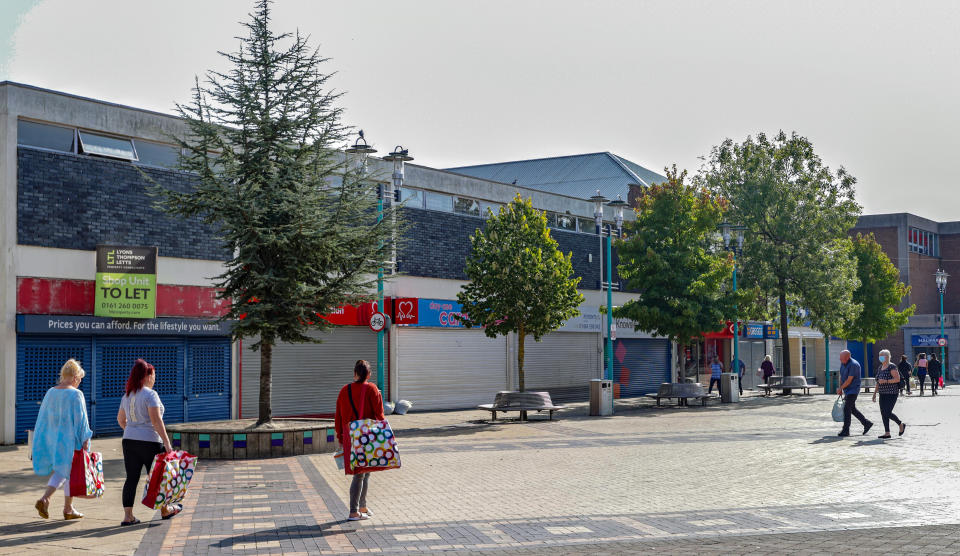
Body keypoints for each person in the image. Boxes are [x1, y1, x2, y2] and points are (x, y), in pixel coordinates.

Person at [118, 359, 181, 525]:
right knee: (157, 478)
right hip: (150, 441)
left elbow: (120, 419)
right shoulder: (150, 394)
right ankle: (165, 510)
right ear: (147, 376)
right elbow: (156, 421)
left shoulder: (128, 394)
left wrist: (131, 430)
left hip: (129, 441)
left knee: (131, 478)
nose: (154, 379)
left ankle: (128, 516)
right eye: (153, 375)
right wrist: (167, 443)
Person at [32, 359, 93, 521]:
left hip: (54, 440)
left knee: (61, 471)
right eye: (79, 379)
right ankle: (67, 508)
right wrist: (86, 441)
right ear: (74, 377)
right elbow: (81, 421)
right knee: (71, 474)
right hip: (71, 441)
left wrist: (41, 441)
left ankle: (47, 499)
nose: (79, 382)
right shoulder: (76, 394)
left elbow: (43, 418)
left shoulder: (51, 392)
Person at [335, 360, 386, 521]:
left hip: (350, 436)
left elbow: (338, 416)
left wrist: (340, 437)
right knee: (359, 474)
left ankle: (362, 506)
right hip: (367, 436)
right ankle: (353, 511)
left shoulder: (344, 390)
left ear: (355, 373)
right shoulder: (372, 389)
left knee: (365, 472)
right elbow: (379, 415)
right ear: (369, 374)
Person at [836, 350, 873, 437]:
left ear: (848, 357)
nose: (840, 360)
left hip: (853, 390)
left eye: (842, 359)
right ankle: (866, 423)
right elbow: (842, 376)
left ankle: (846, 430)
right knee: (852, 409)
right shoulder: (843, 363)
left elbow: (849, 381)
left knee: (847, 409)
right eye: (840, 358)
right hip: (847, 390)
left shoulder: (854, 365)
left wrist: (841, 388)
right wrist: (840, 387)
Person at [872, 349, 906, 439]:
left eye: (882, 356)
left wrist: (886, 381)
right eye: (880, 356)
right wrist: (875, 393)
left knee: (887, 412)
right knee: (883, 413)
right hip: (882, 393)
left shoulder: (892, 366)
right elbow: (878, 382)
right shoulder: (880, 367)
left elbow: (897, 379)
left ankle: (900, 424)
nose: (881, 357)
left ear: (888, 357)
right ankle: (887, 432)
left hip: (892, 393)